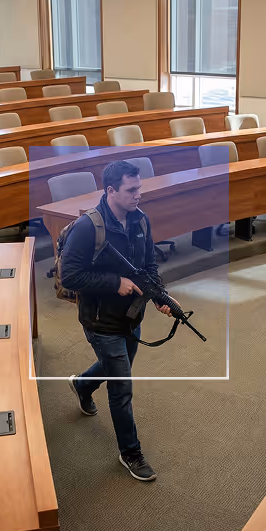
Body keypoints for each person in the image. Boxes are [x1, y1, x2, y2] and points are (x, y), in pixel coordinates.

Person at [60, 160, 173, 482]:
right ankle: (130, 452)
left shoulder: (141, 220)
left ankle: (81, 384)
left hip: (130, 316)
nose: (139, 195)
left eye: (140, 188)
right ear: (110, 191)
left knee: (116, 368)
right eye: (131, 190)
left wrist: (160, 296)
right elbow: (70, 276)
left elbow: (148, 265)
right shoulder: (87, 228)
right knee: (121, 387)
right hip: (100, 321)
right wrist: (115, 282)